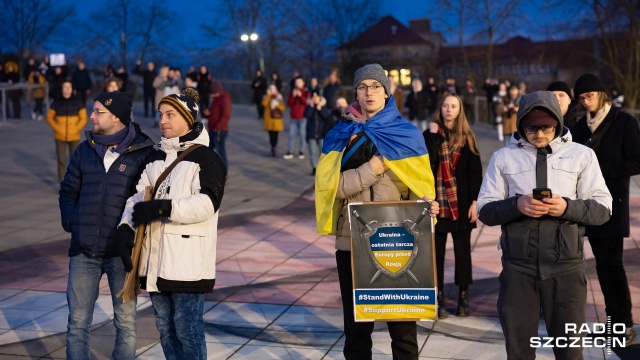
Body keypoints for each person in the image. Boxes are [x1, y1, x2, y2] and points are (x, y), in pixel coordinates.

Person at [315, 63, 439, 360]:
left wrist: (428, 206)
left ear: (387, 92)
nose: (369, 92)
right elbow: (333, 188)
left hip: (398, 242)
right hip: (352, 241)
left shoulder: (407, 135)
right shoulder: (341, 135)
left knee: (403, 329)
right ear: (355, 93)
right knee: (357, 331)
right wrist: (373, 167)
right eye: (363, 86)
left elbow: (419, 190)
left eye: (375, 86)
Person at [477, 91, 612, 359]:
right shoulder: (503, 158)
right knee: (518, 352)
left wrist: (567, 207)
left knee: (570, 352)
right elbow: (485, 210)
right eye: (531, 127)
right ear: (520, 125)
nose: (539, 133)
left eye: (546, 127)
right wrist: (517, 205)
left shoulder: (581, 155)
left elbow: (603, 209)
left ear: (558, 123)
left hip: (567, 270)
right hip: (518, 270)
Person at [119, 88, 226, 359]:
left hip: (187, 262)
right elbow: (137, 196)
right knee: (165, 329)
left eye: (170, 115)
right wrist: (125, 226)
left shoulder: (206, 158)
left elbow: (207, 204)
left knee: (187, 330)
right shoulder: (155, 158)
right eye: (160, 115)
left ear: (188, 119)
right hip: (154, 260)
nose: (162, 121)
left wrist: (164, 207)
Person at [59, 91, 155, 359]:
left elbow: (146, 199)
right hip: (83, 250)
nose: (91, 116)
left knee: (125, 323)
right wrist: (72, 222)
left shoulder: (143, 153)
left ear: (117, 117)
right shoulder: (84, 150)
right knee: (77, 323)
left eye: (98, 112)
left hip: (120, 255)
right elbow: (67, 191)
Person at [571, 73, 640, 343]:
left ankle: (623, 324)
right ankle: (613, 323)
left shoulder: (623, 121)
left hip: (613, 203)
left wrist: (603, 171)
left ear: (601, 94)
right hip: (585, 204)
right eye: (581, 98)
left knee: (612, 265)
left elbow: (637, 160)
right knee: (599, 266)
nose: (586, 102)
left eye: (589, 96)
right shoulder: (579, 127)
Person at [423, 93, 482, 319]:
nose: (449, 109)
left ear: (459, 111)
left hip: (461, 204)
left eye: (453, 106)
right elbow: (425, 164)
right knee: (435, 254)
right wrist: (433, 137)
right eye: (446, 105)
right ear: (441, 108)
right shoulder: (429, 135)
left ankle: (463, 296)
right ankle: (437, 298)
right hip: (436, 204)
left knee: (462, 254)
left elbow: (475, 173)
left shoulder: (468, 138)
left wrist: (475, 202)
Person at [46, 82, 88, 183]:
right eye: (65, 87)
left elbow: (83, 118)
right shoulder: (56, 102)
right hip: (59, 136)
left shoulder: (78, 102)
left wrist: (76, 128)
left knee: (74, 161)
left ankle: (74, 181)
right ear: (62, 89)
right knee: (61, 160)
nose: (67, 89)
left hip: (74, 136)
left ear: (72, 89)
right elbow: (49, 117)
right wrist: (56, 127)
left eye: (69, 87)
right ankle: (62, 181)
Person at [204, 80, 231, 170]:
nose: (212, 95)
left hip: (220, 130)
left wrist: (218, 126)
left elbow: (226, 115)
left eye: (214, 93)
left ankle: (223, 174)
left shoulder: (225, 99)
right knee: (207, 150)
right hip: (212, 129)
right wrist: (208, 113)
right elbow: (214, 112)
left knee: (221, 153)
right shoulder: (215, 100)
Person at [304, 92, 331, 175]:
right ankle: (314, 167)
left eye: (316, 97)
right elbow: (306, 115)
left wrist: (321, 109)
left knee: (323, 152)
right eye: (313, 97)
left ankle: (323, 167)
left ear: (320, 98)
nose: (315, 99)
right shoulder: (309, 106)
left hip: (321, 133)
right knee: (312, 152)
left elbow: (327, 117)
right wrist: (311, 107)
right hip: (311, 133)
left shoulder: (323, 106)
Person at [284, 77, 309, 159]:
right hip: (293, 117)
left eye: (299, 82)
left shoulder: (306, 92)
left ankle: (301, 151)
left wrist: (300, 96)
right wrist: (293, 96)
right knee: (291, 135)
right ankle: (289, 151)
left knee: (302, 135)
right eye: (296, 82)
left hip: (303, 117)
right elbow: (289, 104)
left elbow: (307, 103)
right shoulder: (292, 92)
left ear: (303, 83)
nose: (297, 84)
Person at [262, 84, 285, 157]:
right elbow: (264, 104)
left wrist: (276, 105)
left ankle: (274, 148)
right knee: (270, 135)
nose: (272, 91)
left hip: (277, 119)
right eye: (270, 89)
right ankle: (272, 148)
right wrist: (268, 96)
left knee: (276, 135)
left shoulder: (279, 97)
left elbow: (283, 107)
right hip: (269, 119)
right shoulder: (266, 97)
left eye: (273, 89)